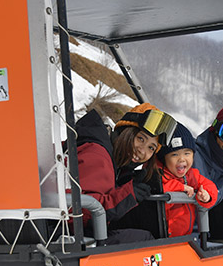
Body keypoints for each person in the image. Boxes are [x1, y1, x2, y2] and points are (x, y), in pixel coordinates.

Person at [73, 102, 177, 244]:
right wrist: (125, 196)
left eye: (151, 148)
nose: (142, 151)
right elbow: (80, 212)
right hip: (68, 237)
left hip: (80, 235)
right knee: (146, 240)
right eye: (140, 138)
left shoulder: (114, 163)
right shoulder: (98, 155)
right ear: (125, 131)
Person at [156, 123, 218, 237]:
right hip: (164, 235)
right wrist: (180, 188)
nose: (182, 159)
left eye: (187, 153)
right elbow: (160, 189)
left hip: (185, 236)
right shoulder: (160, 175)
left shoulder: (192, 175)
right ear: (164, 158)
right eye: (174, 154)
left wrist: (206, 196)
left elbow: (210, 186)